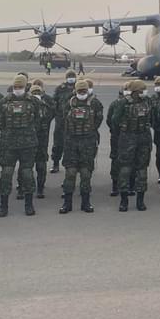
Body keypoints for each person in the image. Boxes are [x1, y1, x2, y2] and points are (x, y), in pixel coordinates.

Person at [0, 75, 40, 217]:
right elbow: (0, 122)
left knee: (27, 174)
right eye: (15, 87)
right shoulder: (4, 102)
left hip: (27, 145)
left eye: (20, 87)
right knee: (6, 174)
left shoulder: (33, 101)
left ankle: (29, 205)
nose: (17, 89)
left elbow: (38, 121)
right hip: (9, 145)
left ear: (26, 87)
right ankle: (3, 206)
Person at [59, 79, 102, 214]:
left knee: (85, 174)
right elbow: (62, 120)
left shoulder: (94, 103)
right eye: (79, 91)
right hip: (71, 143)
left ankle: (86, 202)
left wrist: (90, 133)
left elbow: (98, 120)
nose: (82, 93)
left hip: (88, 143)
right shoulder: (69, 103)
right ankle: (67, 203)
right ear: (75, 91)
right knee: (70, 173)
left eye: (84, 90)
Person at [115, 79, 153, 212]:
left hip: (143, 138)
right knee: (125, 169)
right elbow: (115, 120)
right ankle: (124, 200)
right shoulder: (123, 103)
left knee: (142, 169)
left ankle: (140, 200)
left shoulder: (148, 101)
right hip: (127, 139)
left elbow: (153, 118)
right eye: (142, 90)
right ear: (136, 91)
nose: (144, 93)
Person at [30, 81, 56, 198]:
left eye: (37, 92)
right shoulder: (27, 105)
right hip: (28, 140)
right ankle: (27, 187)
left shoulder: (46, 105)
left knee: (40, 165)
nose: (36, 94)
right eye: (34, 92)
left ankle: (40, 187)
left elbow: (51, 115)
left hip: (40, 139)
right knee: (27, 166)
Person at [51, 70, 78, 174]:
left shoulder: (79, 88)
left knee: (73, 145)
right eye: (69, 76)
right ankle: (55, 164)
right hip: (61, 121)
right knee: (58, 143)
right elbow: (54, 102)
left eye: (72, 76)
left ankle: (72, 166)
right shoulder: (60, 88)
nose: (71, 78)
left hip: (74, 122)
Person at [107, 84, 130, 196]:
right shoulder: (114, 104)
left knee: (130, 160)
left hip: (129, 137)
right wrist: (116, 131)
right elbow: (110, 120)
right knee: (115, 159)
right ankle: (115, 184)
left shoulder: (133, 104)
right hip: (117, 136)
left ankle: (129, 184)